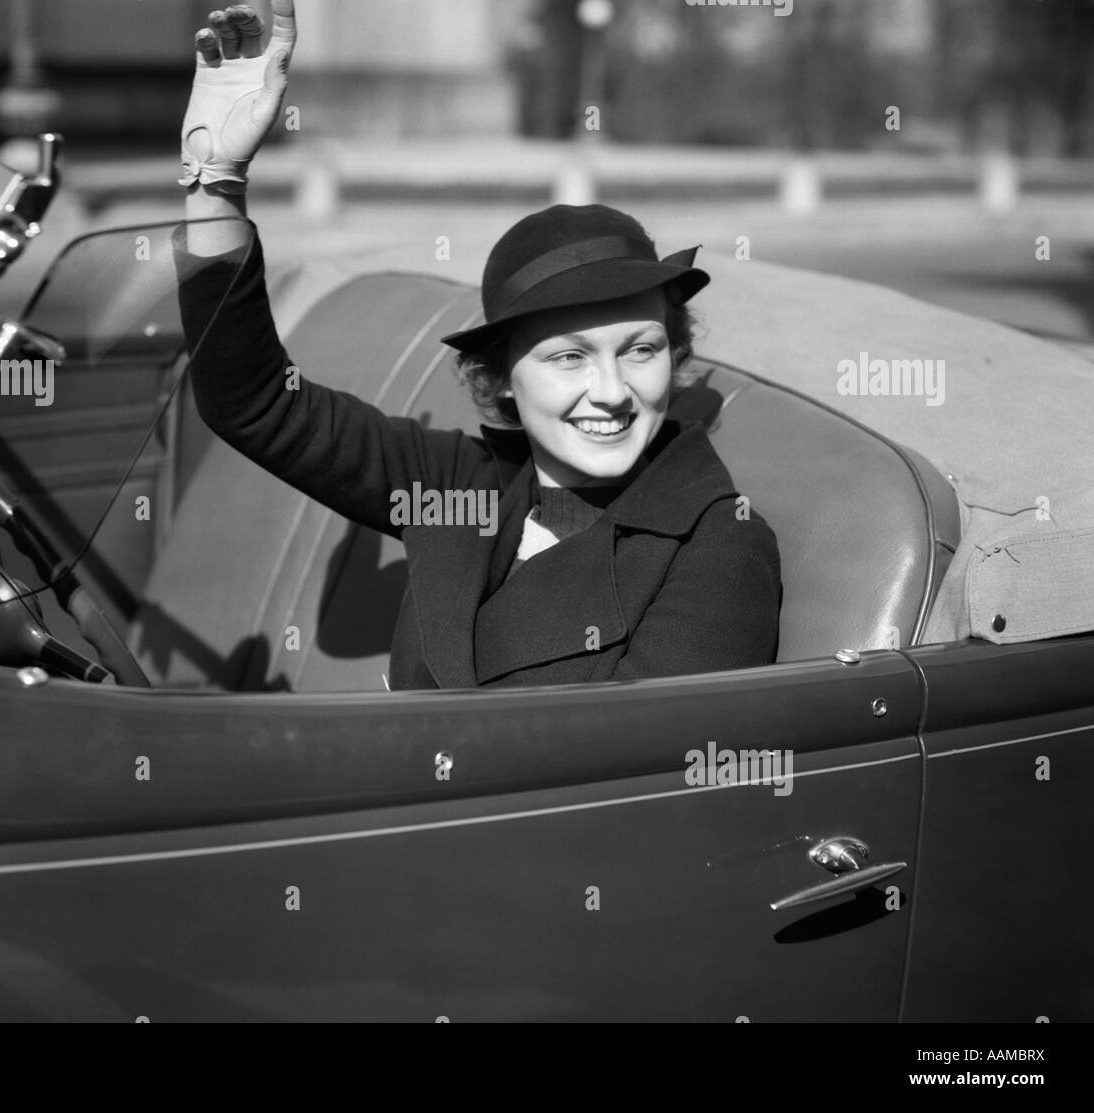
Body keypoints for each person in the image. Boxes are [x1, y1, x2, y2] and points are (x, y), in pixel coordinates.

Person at [175, 2, 781, 690]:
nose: (612, 392)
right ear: (501, 381)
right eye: (569, 356)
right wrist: (214, 179)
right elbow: (252, 403)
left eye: (640, 350)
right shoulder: (460, 489)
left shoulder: (717, 543)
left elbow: (633, 777)